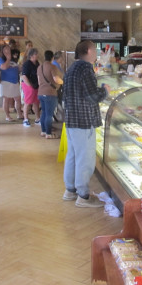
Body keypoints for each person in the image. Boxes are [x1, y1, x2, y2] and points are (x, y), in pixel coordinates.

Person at [62, 40, 110, 208]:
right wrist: (105, 91)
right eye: (95, 50)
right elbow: (92, 96)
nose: (96, 53)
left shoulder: (72, 68)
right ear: (89, 51)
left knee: (73, 155)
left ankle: (70, 190)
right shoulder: (86, 68)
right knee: (85, 159)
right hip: (83, 121)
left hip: (71, 119)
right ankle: (83, 196)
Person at [37, 50, 63, 139]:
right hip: (50, 93)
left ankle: (43, 131)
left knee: (44, 113)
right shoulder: (52, 67)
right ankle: (48, 133)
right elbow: (56, 79)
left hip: (41, 93)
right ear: (52, 58)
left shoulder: (39, 67)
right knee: (49, 114)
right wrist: (63, 82)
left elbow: (39, 81)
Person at [0, 44, 22, 122]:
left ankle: (19, 114)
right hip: (5, 81)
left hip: (15, 81)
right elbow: (4, 67)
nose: (7, 50)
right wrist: (8, 59)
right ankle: (7, 116)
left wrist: (20, 66)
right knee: (6, 99)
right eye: (5, 49)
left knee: (18, 98)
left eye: (8, 49)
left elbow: (18, 69)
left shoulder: (13, 60)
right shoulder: (0, 59)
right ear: (2, 51)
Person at [20, 47, 40, 127]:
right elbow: (24, 76)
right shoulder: (27, 64)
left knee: (36, 102)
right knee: (28, 102)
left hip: (35, 84)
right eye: (36, 54)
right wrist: (30, 86)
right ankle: (25, 119)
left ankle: (37, 119)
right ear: (31, 55)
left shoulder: (37, 63)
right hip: (28, 84)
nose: (37, 55)